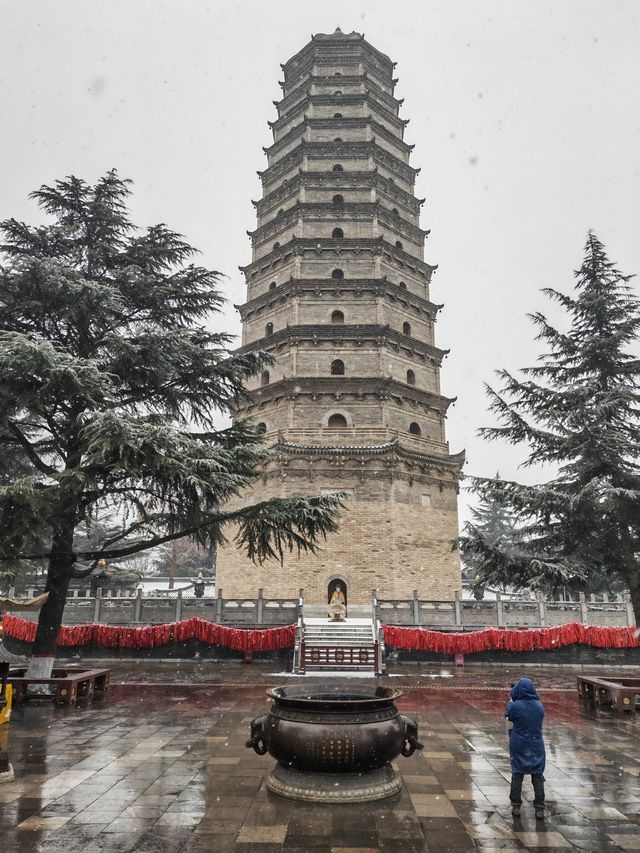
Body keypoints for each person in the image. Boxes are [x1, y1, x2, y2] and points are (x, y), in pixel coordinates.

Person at [505, 677, 546, 819]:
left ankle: (516, 805)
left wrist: (510, 702)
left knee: (517, 773)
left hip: (519, 744)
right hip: (536, 744)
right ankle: (540, 807)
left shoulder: (515, 706)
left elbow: (508, 716)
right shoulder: (539, 705)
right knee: (537, 775)